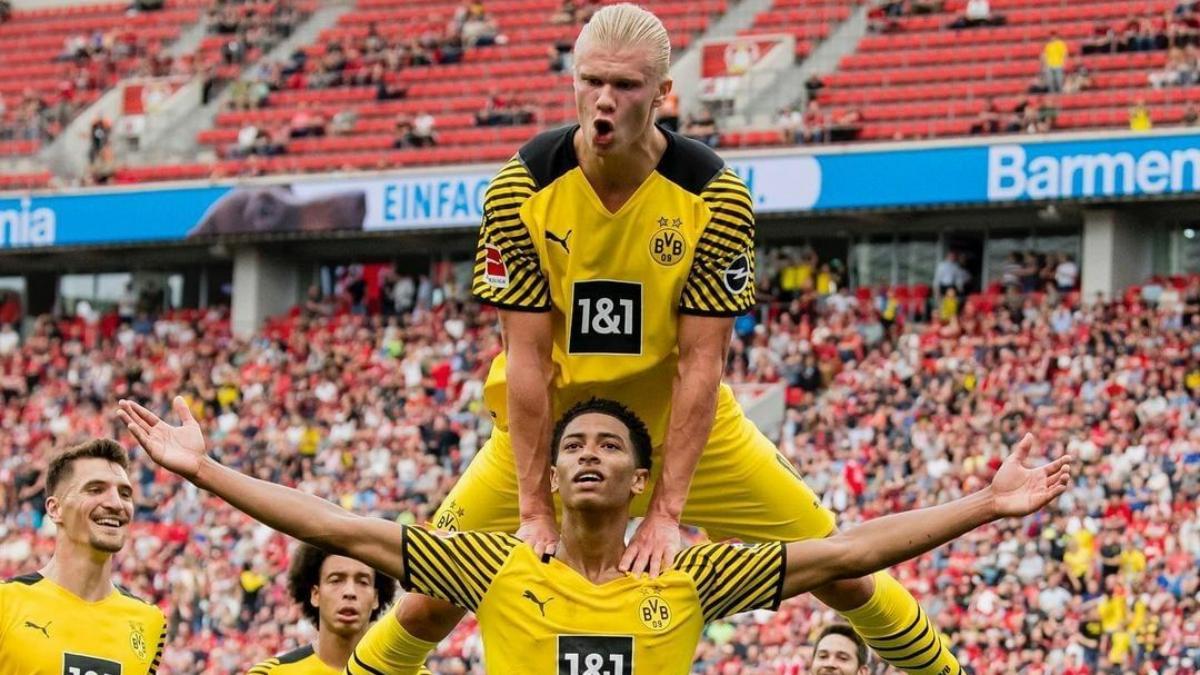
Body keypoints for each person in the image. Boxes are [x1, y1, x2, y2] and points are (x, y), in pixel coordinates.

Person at [392, 5, 964, 674]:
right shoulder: (519, 189)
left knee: (842, 575)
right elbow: (526, 358)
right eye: (591, 81)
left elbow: (702, 363)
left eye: (627, 86)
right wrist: (532, 508)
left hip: (690, 429)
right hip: (559, 436)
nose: (604, 101)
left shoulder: (715, 195)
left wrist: (667, 510)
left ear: (665, 95)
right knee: (428, 600)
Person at [117, 397, 1070, 674]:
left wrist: (983, 504)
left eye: (609, 443)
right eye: (570, 442)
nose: (586, 455)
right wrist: (204, 472)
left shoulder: (692, 571)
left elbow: (847, 552)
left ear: (642, 478)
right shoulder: (492, 559)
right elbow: (335, 524)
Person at [0, 439, 167, 675]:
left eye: (125, 493)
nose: (115, 503)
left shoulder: (150, 622)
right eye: (95, 489)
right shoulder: (6, 602)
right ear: (55, 509)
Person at [245, 543, 398, 674]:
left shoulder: (410, 672)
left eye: (363, 582)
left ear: (376, 598)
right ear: (315, 594)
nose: (350, 592)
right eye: (336, 580)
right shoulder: (272, 673)